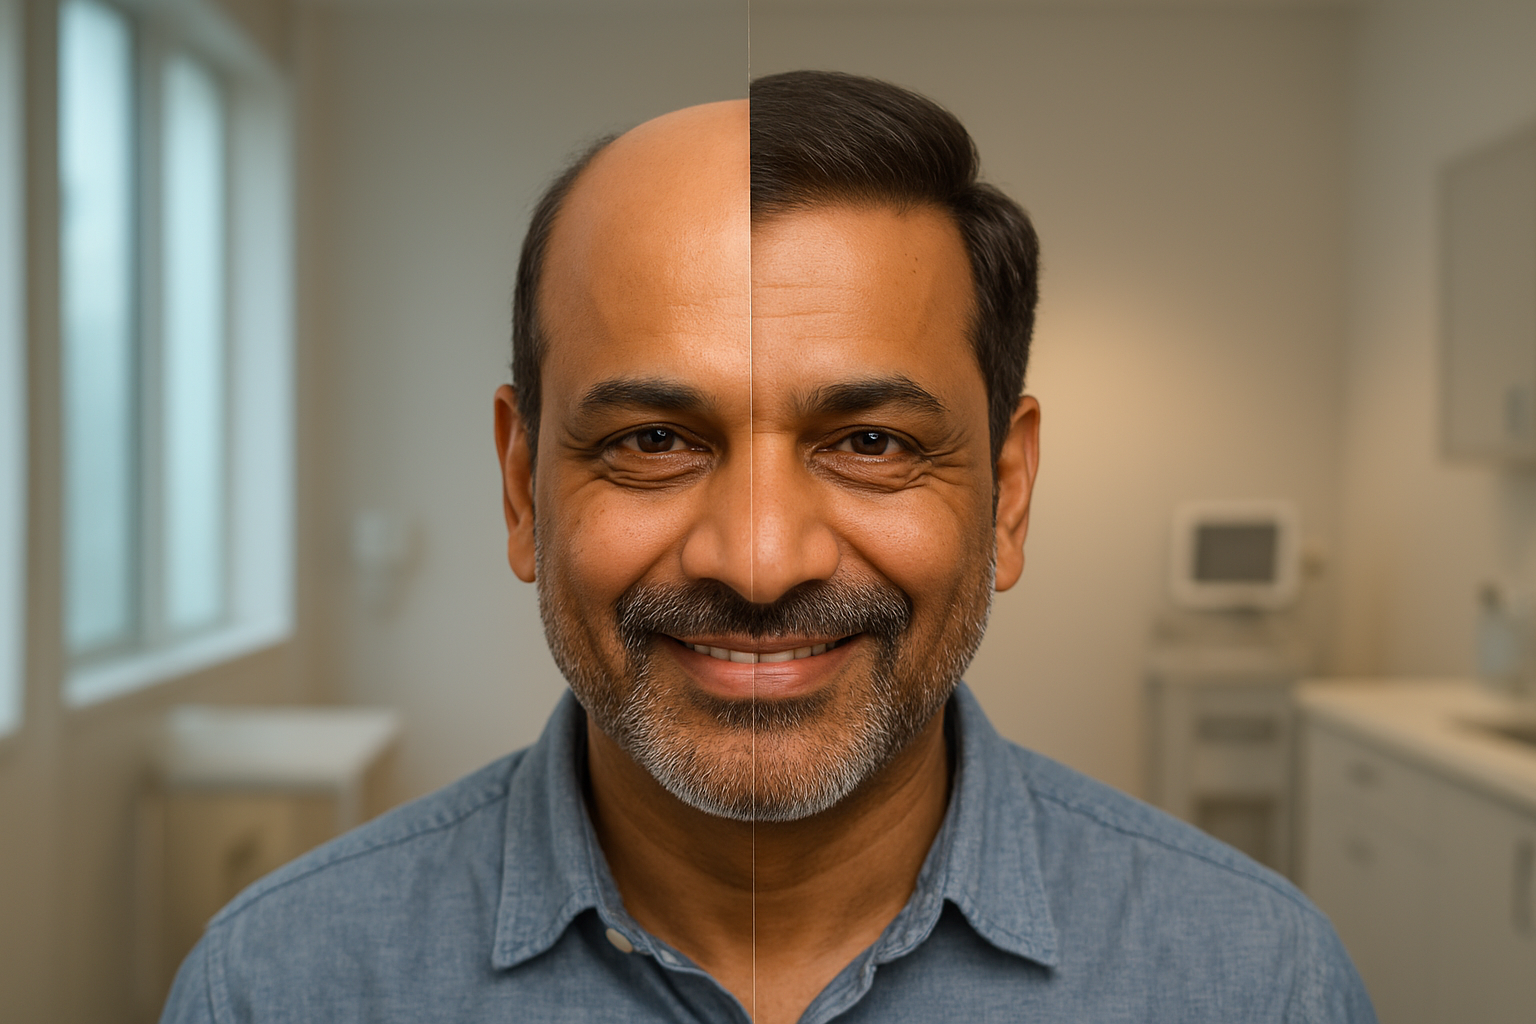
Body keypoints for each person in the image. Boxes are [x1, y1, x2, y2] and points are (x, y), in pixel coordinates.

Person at [160, 71, 1375, 1024]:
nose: (756, 560)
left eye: (870, 442)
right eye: (651, 438)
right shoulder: (274, 988)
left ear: (1007, 493)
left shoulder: (1261, 984)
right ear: (522, 484)